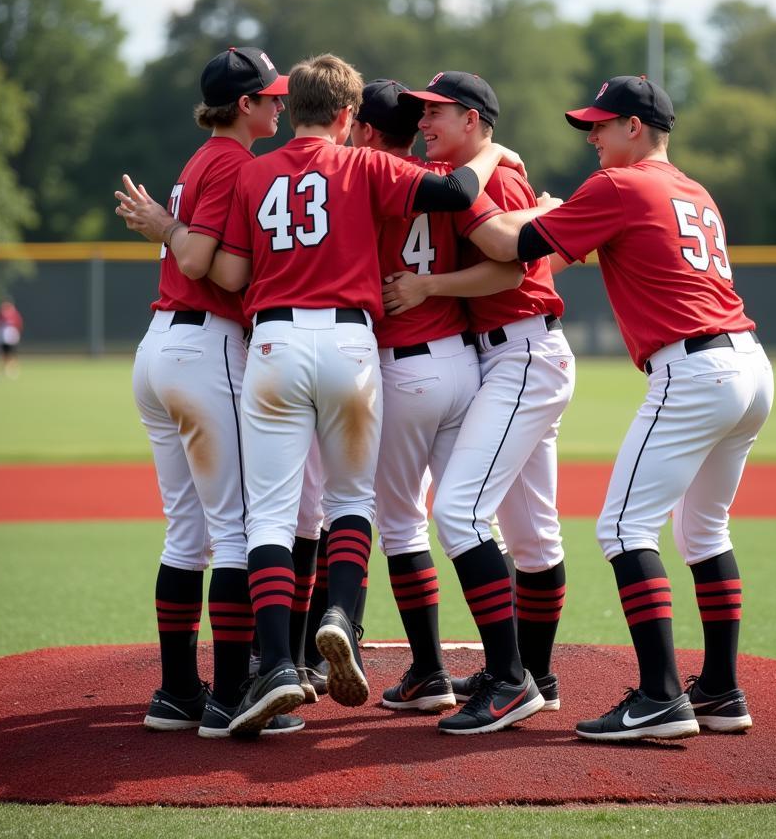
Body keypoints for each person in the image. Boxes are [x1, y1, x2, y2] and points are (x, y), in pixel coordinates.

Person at [204, 54, 524, 737]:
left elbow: (229, 269)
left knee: (269, 517)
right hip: (352, 342)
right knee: (352, 502)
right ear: (348, 117)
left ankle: (277, 669)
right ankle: (341, 615)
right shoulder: (364, 165)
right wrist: (492, 148)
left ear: (292, 110)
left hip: (273, 341)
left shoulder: (254, 171)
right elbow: (456, 190)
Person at [467, 74, 774, 741]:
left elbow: (507, 247)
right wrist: (551, 215)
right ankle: (720, 688)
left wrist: (497, 206)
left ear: (636, 127)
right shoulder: (693, 190)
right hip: (749, 365)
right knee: (705, 532)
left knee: (623, 530)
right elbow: (568, 253)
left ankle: (662, 696)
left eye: (601, 125)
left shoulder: (620, 185)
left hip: (692, 370)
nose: (592, 137)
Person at [116, 45, 303, 739]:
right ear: (244, 105)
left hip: (161, 348)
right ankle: (228, 696)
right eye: (271, 95)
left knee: (187, 529)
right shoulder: (233, 163)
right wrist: (168, 232)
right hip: (204, 347)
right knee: (236, 527)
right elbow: (205, 264)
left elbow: (189, 254)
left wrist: (167, 232)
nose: (280, 104)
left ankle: (175, 692)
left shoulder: (202, 159)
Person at [385, 71, 575, 736]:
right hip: (512, 352)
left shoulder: (490, 178)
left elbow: (508, 265)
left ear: (473, 119)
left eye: (437, 113)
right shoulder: (464, 174)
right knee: (532, 534)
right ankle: (536, 677)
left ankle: (509, 679)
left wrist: (428, 287)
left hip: (520, 353)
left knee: (460, 513)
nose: (424, 123)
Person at [349, 79, 523, 713]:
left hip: (402, 369)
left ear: (367, 132)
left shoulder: (361, 179)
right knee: (473, 519)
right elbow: (507, 256)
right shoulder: (448, 177)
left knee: (401, 524)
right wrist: (498, 156)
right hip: (463, 363)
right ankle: (511, 667)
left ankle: (428, 670)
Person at [0, 299, 23, 378]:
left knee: (11, 355)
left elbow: (18, 325)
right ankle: (2, 371)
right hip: (2, 338)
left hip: (11, 338)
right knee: (3, 355)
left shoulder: (14, 315)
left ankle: (12, 371)